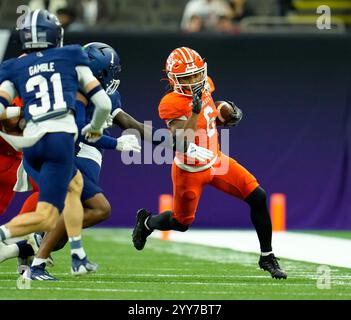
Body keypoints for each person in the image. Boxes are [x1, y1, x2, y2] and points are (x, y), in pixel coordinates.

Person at [0, 42, 213, 280]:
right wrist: (116, 144)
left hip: (68, 151)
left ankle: (20, 249)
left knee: (64, 223)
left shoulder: (98, 92)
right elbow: (79, 130)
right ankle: (28, 254)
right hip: (53, 152)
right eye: (111, 73)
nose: (113, 79)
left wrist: (180, 144)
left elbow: (131, 125)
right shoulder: (70, 94)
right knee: (88, 210)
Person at [132, 46, 287, 280]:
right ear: (174, 79)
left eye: (197, 74)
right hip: (189, 169)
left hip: (216, 161)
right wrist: (194, 112)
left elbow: (209, 113)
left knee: (258, 196)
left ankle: (267, 256)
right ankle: (147, 222)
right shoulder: (170, 102)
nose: (195, 80)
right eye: (188, 77)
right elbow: (180, 139)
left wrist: (222, 113)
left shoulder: (207, 85)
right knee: (181, 222)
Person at [0, 9, 112, 276]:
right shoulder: (71, 55)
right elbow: (103, 103)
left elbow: (3, 109)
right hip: (57, 139)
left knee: (73, 187)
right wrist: (96, 129)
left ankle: (77, 254)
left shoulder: (15, 65)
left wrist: (18, 122)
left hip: (31, 145)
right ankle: (17, 242)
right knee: (49, 214)